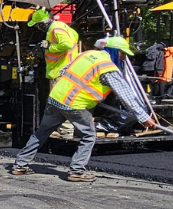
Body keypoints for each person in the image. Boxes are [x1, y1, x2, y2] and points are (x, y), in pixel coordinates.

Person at [12, 37, 159, 182]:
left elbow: (63, 71)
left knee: (42, 132)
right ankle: (76, 170)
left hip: (56, 98)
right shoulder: (107, 67)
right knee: (88, 136)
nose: (123, 57)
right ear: (115, 51)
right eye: (122, 53)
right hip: (75, 104)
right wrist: (143, 117)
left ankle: (20, 164)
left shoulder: (85, 54)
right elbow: (126, 95)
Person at [28, 8, 80, 138]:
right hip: (66, 69)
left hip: (60, 70)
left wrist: (50, 47)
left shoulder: (55, 29)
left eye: (37, 25)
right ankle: (62, 129)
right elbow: (75, 37)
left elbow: (67, 44)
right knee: (61, 102)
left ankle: (67, 131)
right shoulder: (62, 26)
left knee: (60, 102)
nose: (37, 28)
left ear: (42, 23)